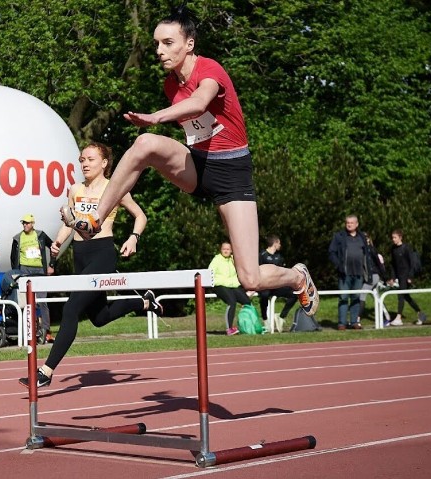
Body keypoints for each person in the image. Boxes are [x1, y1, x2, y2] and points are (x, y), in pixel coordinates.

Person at [58, 6, 319, 321]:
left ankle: (298, 277)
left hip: (232, 173)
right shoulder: (171, 84)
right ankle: (94, 220)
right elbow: (194, 126)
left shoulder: (210, 70)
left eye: (168, 43)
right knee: (145, 144)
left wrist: (155, 117)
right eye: (156, 43)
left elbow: (198, 102)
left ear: (189, 44)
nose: (159, 50)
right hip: (197, 164)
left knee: (250, 278)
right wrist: (154, 127)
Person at [19, 142, 163, 389]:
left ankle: (46, 371)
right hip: (80, 254)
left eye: (90, 159)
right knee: (99, 317)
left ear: (105, 163)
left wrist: (133, 237)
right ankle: (145, 301)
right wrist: (59, 241)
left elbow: (141, 216)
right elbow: (70, 221)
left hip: (103, 254)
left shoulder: (114, 189)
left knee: (71, 308)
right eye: (82, 159)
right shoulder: (75, 189)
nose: (84, 164)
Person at [10, 213, 56, 341]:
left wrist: (52, 264)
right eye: (23, 223)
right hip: (24, 271)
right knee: (26, 303)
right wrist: (16, 272)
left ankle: (46, 330)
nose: (25, 225)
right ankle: (28, 330)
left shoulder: (40, 235)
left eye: (27, 223)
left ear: (32, 224)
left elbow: (54, 247)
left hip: (40, 271)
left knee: (42, 301)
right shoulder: (17, 238)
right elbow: (13, 257)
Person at [328, 215, 373, 330]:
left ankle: (354, 322)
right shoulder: (339, 236)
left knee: (356, 297)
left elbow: (367, 254)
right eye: (347, 222)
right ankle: (342, 323)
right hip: (344, 274)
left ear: (357, 224)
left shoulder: (362, 236)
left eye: (352, 223)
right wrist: (338, 265)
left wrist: (368, 270)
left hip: (359, 273)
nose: (349, 224)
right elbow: (331, 252)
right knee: (343, 297)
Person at [209, 242, 253, 335]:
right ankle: (229, 329)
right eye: (224, 249)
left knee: (247, 302)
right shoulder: (216, 260)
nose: (225, 251)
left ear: (231, 251)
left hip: (233, 286)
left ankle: (247, 326)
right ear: (221, 250)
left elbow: (243, 270)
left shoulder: (234, 260)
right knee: (231, 301)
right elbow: (209, 273)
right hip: (219, 285)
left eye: (228, 249)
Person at [258, 234, 298, 330]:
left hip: (276, 285)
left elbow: (282, 273)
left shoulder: (279, 257)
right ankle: (265, 319)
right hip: (265, 285)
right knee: (264, 295)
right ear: (275, 243)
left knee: (294, 295)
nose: (280, 245)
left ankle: (281, 317)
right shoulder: (262, 255)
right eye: (279, 243)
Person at [388, 229, 427, 326]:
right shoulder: (393, 249)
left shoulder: (406, 248)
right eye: (392, 237)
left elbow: (412, 263)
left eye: (395, 237)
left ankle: (398, 318)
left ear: (400, 237)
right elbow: (393, 264)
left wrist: (410, 276)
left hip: (406, 275)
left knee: (401, 295)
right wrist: (392, 277)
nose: (393, 239)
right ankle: (420, 313)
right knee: (406, 296)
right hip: (399, 275)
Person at [357, 233, 390, 324]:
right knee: (377, 297)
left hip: (373, 276)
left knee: (362, 296)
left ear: (368, 239)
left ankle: (357, 319)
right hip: (370, 276)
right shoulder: (363, 250)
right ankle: (387, 317)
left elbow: (379, 264)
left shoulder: (371, 250)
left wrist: (385, 278)